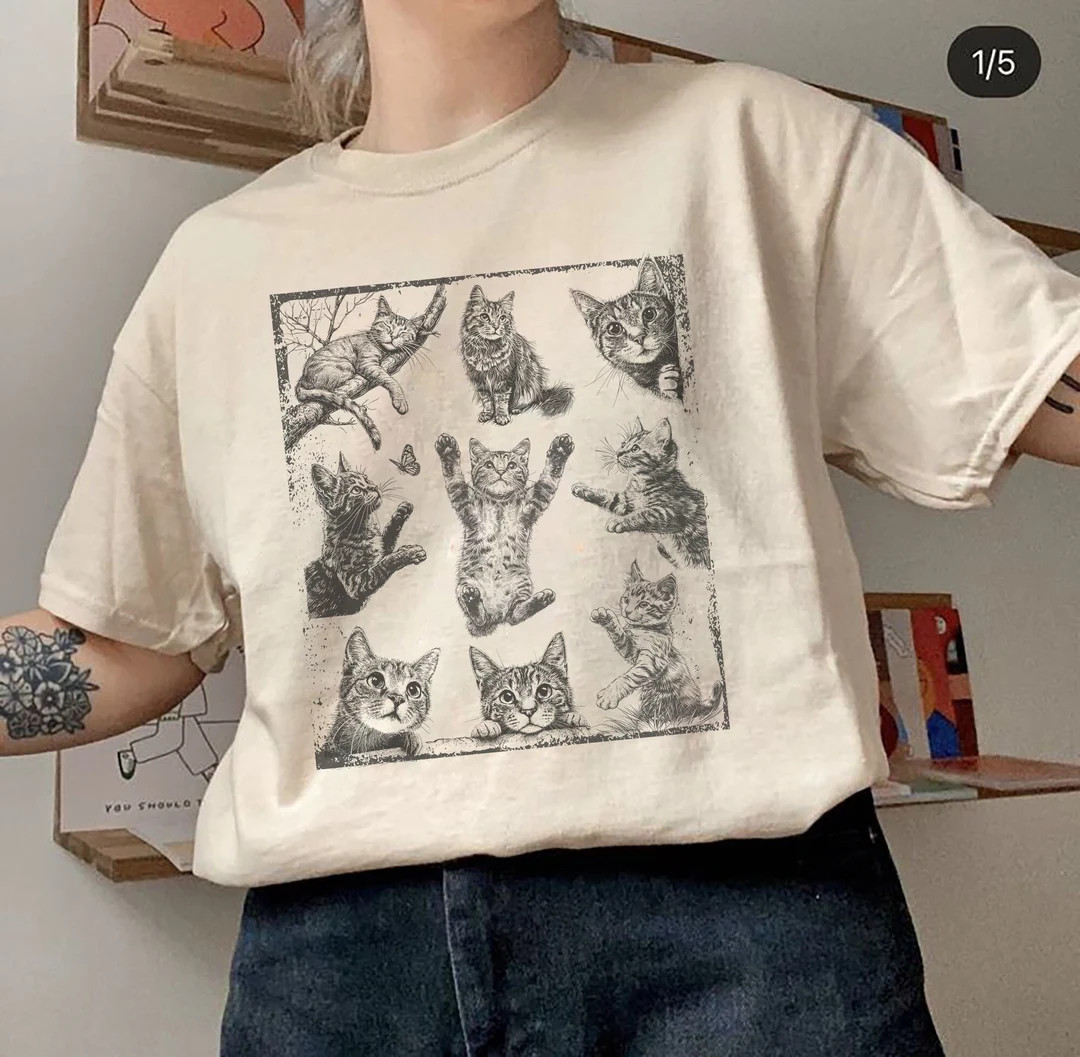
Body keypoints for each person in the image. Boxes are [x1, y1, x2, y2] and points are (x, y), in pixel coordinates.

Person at [4, 1, 1079, 1053]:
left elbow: (1035, 373)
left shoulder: (755, 139)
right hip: (346, 970)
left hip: (751, 935)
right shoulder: (215, 265)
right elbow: (128, 642)